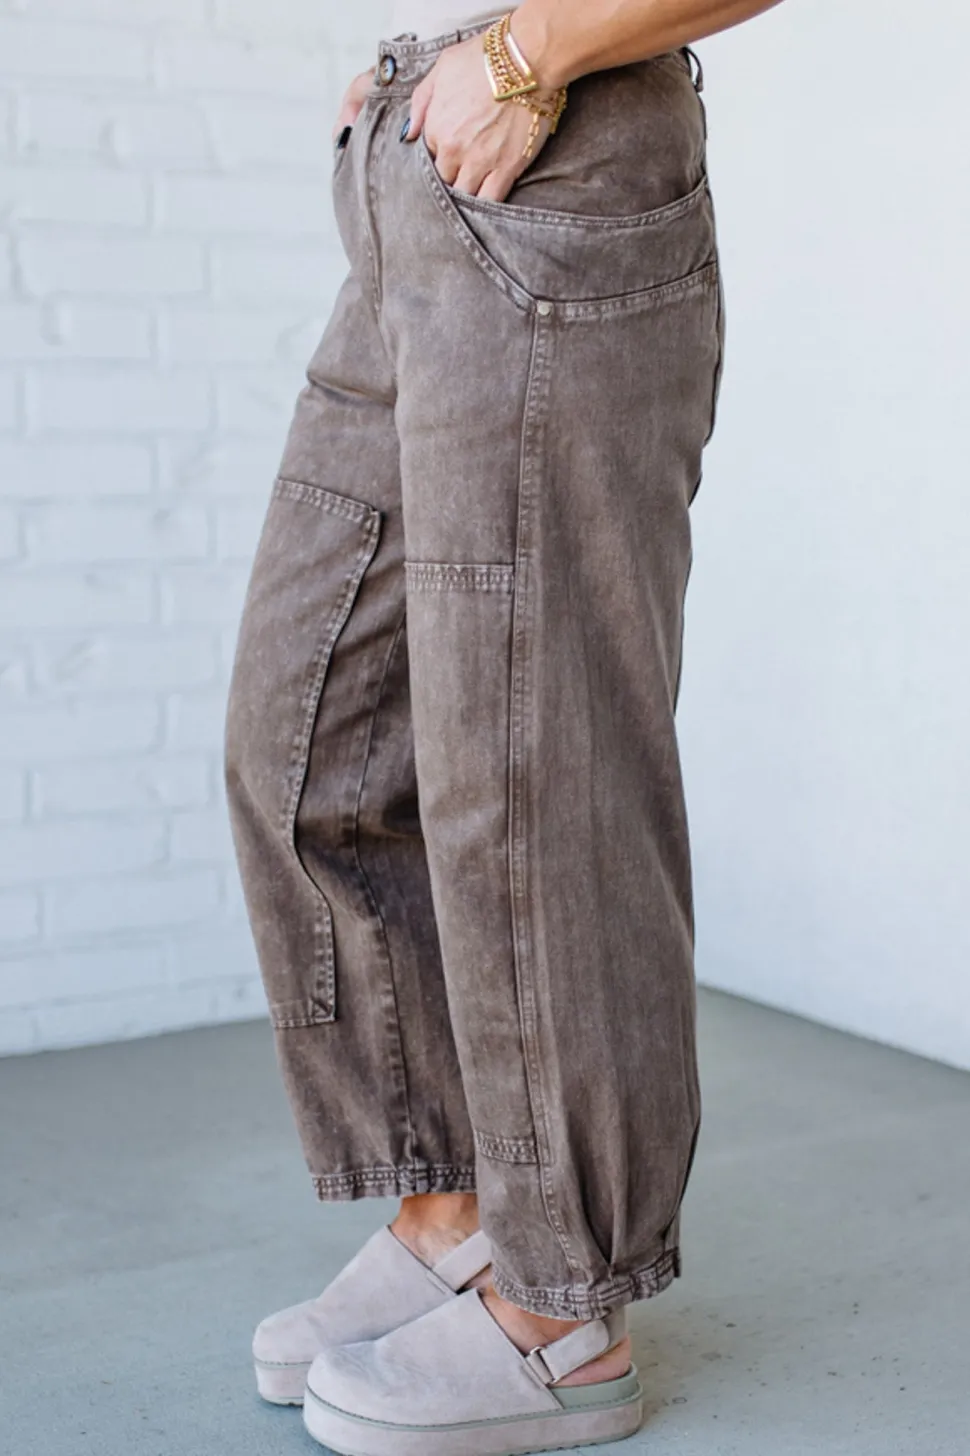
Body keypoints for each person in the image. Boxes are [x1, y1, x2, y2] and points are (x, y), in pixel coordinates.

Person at [224, 1, 779, 1451]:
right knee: (309, 733)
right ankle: (457, 1215)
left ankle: (563, 1307)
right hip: (428, 168)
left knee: (533, 765)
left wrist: (524, 57)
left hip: (558, 160)